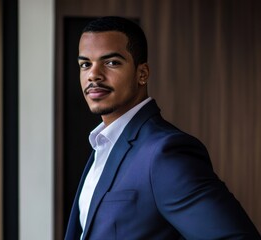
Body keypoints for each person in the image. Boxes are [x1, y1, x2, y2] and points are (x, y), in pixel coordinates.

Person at [64, 16, 260, 240]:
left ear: (142, 73)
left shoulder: (164, 153)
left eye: (111, 63)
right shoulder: (103, 144)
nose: (93, 74)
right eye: (85, 64)